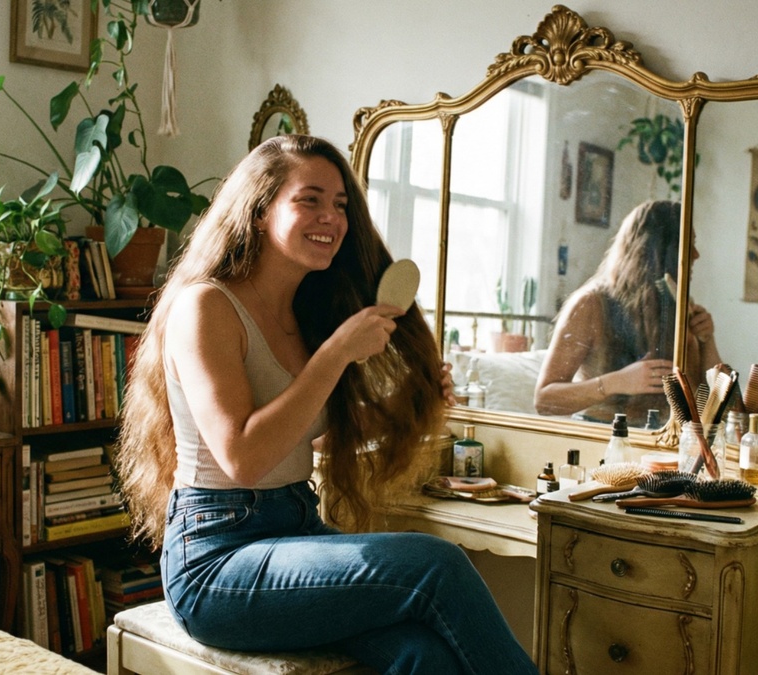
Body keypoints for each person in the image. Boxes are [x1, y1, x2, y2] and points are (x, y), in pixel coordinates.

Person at [116, 135, 537, 674]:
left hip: (296, 530)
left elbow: (317, 433)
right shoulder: (206, 306)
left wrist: (410, 401)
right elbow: (242, 457)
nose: (331, 218)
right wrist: (336, 354)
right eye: (309, 199)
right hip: (216, 563)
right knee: (438, 564)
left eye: (340, 204)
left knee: (423, 653)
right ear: (259, 210)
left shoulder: (306, 313)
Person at [534, 200, 720, 426]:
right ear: (658, 251)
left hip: (661, 441)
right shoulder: (591, 304)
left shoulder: (677, 305)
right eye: (687, 245)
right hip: (601, 438)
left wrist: (706, 340)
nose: (696, 255)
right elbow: (544, 400)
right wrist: (616, 382)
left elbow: (714, 402)